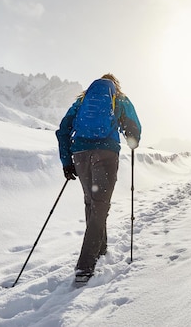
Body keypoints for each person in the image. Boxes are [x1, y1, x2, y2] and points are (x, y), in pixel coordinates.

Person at [56, 73, 141, 283]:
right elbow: (133, 125)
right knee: (100, 206)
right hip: (106, 153)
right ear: (115, 85)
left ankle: (100, 248)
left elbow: (63, 129)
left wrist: (67, 161)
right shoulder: (119, 98)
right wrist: (133, 140)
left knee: (91, 202)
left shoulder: (82, 100)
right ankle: (85, 266)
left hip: (80, 155)